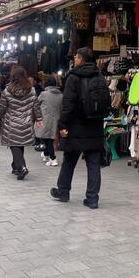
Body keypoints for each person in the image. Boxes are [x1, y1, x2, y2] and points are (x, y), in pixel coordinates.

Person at [50, 47, 105, 209]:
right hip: (95, 126)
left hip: (75, 126)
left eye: (76, 56)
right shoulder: (100, 76)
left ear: (81, 59)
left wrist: (62, 125)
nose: (74, 58)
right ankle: (93, 198)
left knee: (69, 160)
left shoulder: (73, 77)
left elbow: (67, 104)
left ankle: (63, 191)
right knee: (93, 164)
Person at [0, 66, 43, 180]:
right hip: (26, 122)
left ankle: (21, 167)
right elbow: (36, 105)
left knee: (14, 144)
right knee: (19, 143)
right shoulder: (31, 90)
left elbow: (2, 106)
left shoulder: (7, 91)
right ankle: (16, 166)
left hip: (12, 123)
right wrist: (39, 119)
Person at [35, 77, 62, 167]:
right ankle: (46, 155)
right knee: (49, 137)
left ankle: (53, 159)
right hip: (56, 119)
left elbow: (36, 103)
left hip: (45, 119)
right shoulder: (61, 95)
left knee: (48, 139)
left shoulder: (44, 94)